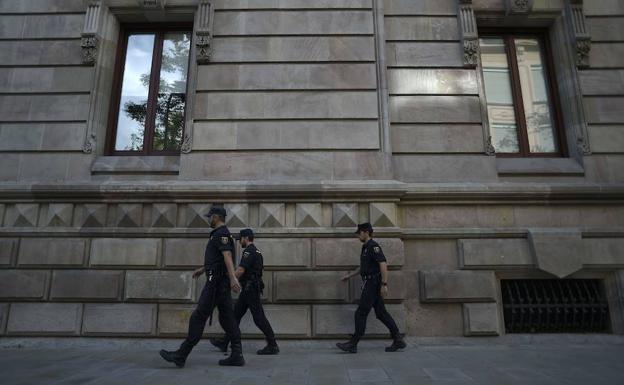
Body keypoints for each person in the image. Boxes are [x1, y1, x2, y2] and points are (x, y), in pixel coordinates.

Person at [159, 206, 245, 367]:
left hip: (216, 284)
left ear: (216, 217)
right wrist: (203, 268)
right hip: (220, 283)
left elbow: (227, 257)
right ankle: (237, 354)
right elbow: (218, 259)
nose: (208, 219)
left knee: (199, 317)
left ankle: (181, 354)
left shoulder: (221, 234)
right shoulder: (221, 234)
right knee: (227, 318)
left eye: (210, 216)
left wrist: (233, 278)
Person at [336, 222, 406, 353]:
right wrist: (350, 275)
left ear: (366, 232)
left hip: (372, 284)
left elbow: (383, 264)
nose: (358, 236)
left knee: (361, 313)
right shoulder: (365, 247)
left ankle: (353, 343)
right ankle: (398, 339)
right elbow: (363, 267)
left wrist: (384, 284)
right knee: (381, 313)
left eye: (359, 233)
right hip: (370, 283)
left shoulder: (374, 246)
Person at [209, 228, 279, 355]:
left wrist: (229, 282)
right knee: (235, 315)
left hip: (250, 289)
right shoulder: (256, 251)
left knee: (259, 318)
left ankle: (273, 345)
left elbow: (240, 270)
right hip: (248, 289)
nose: (239, 241)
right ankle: (225, 342)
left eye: (240, 239)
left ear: (246, 238)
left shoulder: (249, 251)